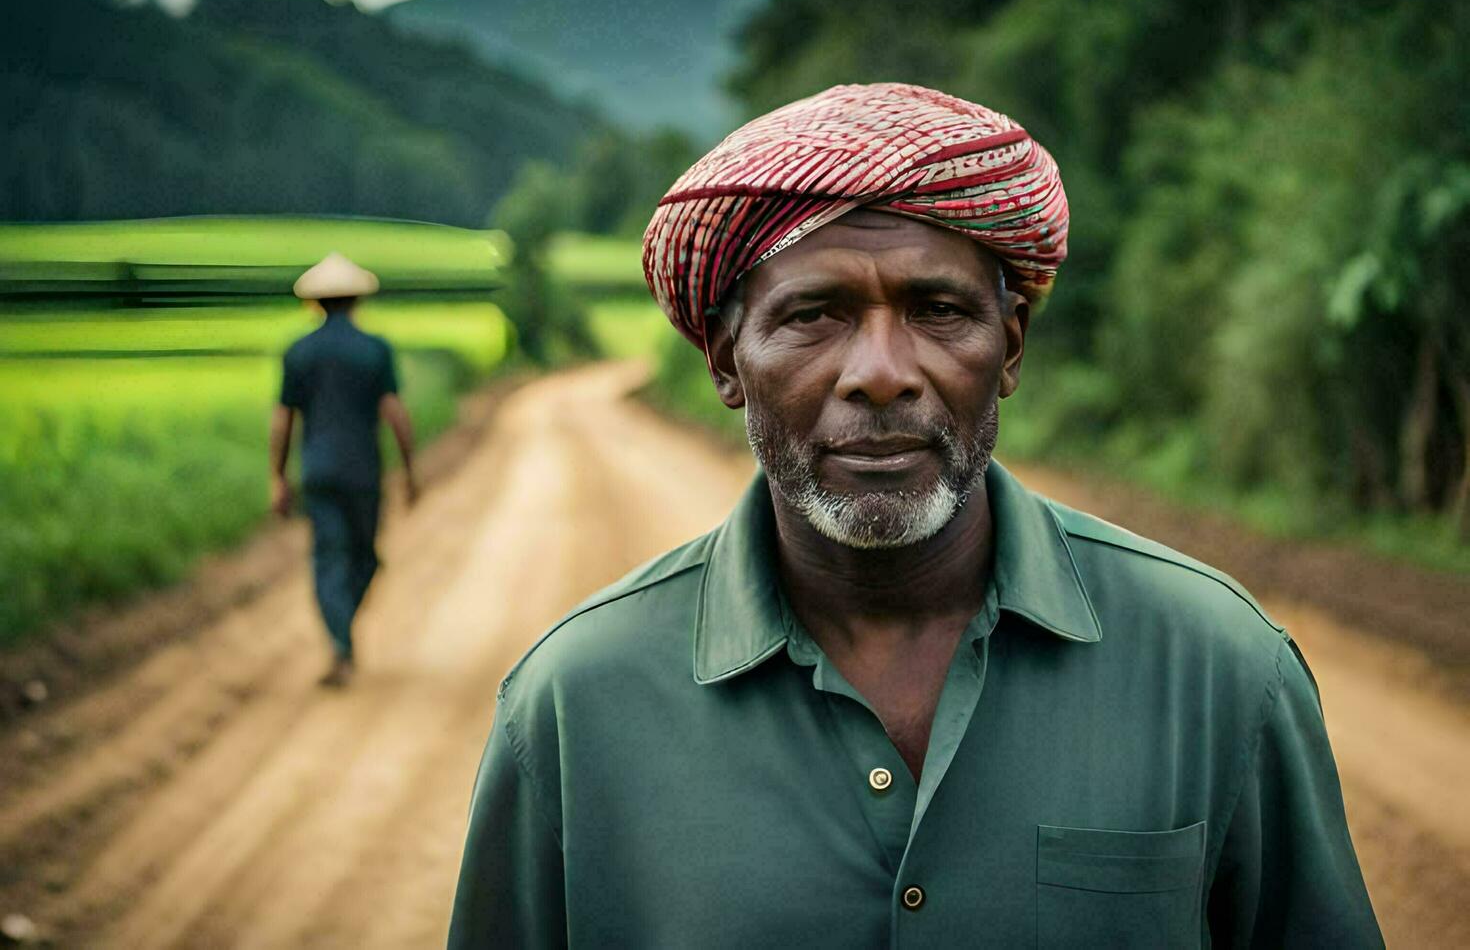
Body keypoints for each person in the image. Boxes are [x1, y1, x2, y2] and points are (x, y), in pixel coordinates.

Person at [448, 84, 1382, 946]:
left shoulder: (1218, 668)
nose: (882, 373)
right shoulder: (574, 707)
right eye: (815, 315)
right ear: (729, 363)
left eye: (937, 310)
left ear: (1008, 349)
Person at [270, 252, 417, 688]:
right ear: (356, 300)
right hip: (363, 474)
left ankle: (340, 643)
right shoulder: (374, 350)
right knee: (363, 558)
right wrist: (410, 472)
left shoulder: (299, 353)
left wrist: (277, 477)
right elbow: (395, 413)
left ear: (316, 303)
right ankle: (341, 644)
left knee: (330, 560)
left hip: (318, 472)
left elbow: (284, 420)